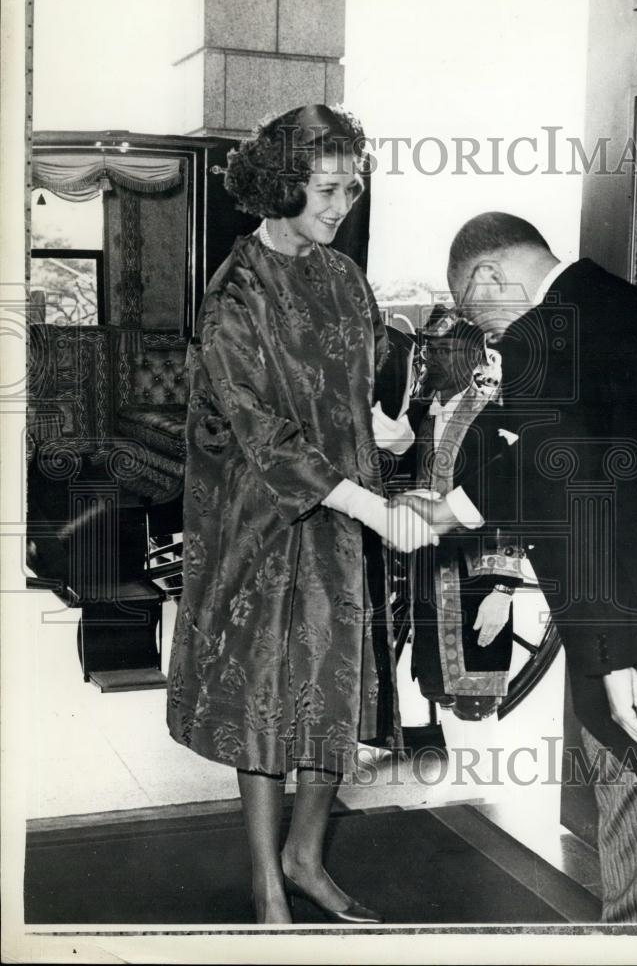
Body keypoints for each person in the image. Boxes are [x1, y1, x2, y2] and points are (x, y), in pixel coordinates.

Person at [402, 211, 637, 922]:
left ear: (488, 276)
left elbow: (573, 506)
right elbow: (560, 455)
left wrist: (612, 656)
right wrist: (452, 511)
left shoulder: (544, 334)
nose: (491, 339)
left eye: (485, 322)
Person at [166, 104, 435, 925]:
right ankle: (265, 881)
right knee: (264, 697)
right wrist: (365, 500)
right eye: (325, 188)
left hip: (340, 521)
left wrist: (386, 435)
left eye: (351, 189)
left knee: (332, 686)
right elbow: (255, 426)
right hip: (258, 523)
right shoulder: (234, 291)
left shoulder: (344, 277)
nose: (340, 205)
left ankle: (306, 857)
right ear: (282, 183)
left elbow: (350, 397)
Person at [400, 311, 520, 721]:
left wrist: (502, 591)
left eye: (441, 349)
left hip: (476, 582)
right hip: (428, 577)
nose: (429, 357)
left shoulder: (492, 416)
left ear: (470, 358)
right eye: (428, 347)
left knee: (475, 703)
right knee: (434, 684)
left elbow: (510, 506)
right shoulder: (419, 413)